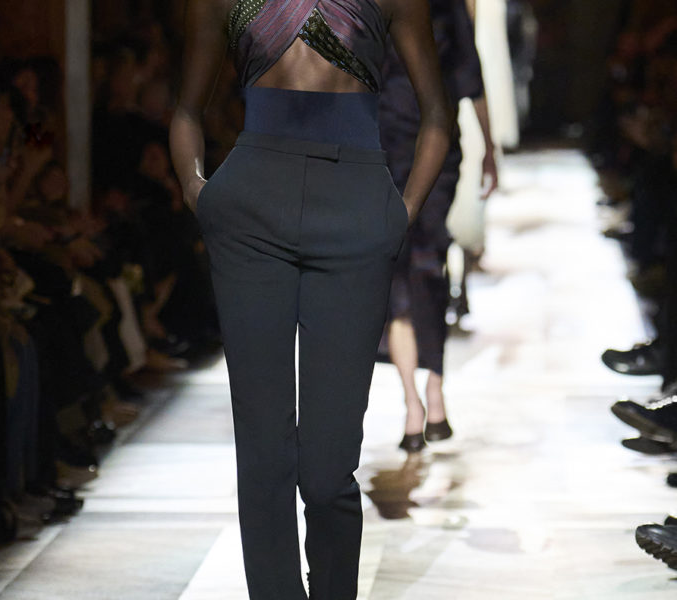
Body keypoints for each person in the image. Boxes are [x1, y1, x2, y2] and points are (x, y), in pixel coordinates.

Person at [169, 1, 451, 598]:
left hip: (355, 210)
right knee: (264, 452)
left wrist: (398, 216)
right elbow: (187, 108)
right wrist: (199, 193)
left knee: (328, 470)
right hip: (250, 209)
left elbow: (437, 114)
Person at [379, 0, 497, 450]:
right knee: (402, 274)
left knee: (424, 268)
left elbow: (469, 74)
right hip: (383, 152)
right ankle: (415, 399)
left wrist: (489, 148)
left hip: (433, 153)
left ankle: (431, 391)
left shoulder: (445, 6)